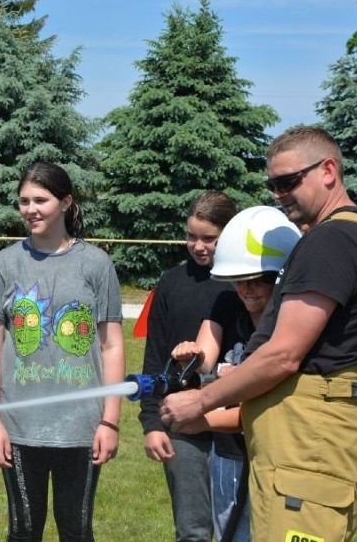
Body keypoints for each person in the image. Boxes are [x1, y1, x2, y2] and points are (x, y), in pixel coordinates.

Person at [161, 125, 357, 542]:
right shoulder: (347, 235)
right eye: (272, 185)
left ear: (328, 170)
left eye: (288, 181)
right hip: (302, 438)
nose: (279, 193)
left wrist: (201, 400)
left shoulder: (331, 239)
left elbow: (284, 355)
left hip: (306, 443)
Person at [0, 162, 125, 542]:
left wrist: (110, 421)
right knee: (24, 530)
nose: (31, 209)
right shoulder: (4, 265)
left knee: (76, 529)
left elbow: (111, 345)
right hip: (20, 427)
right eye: (24, 201)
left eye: (41, 200)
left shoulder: (96, 264)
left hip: (82, 427)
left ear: (66, 202)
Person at [170, 206, 301, 542]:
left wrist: (202, 418)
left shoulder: (290, 327)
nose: (247, 289)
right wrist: (192, 356)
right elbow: (204, 359)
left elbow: (269, 404)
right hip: (227, 454)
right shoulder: (226, 305)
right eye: (239, 280)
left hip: (273, 454)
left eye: (259, 280)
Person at [138, 190, 238, 542]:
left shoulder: (247, 282)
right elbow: (154, 358)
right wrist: (152, 423)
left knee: (239, 529)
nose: (198, 246)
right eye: (191, 236)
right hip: (181, 426)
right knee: (193, 531)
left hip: (236, 428)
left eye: (209, 238)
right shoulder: (171, 283)